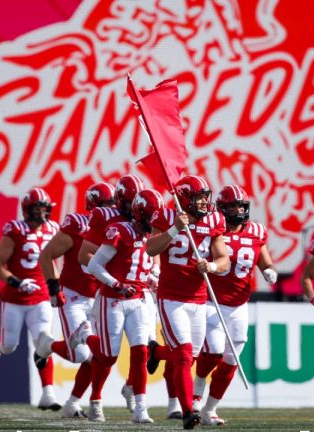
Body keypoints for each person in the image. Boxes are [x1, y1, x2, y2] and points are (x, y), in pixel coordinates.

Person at [145, 175, 230, 429]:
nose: (204, 202)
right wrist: (175, 229)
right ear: (184, 199)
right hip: (171, 298)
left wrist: (213, 266)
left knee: (188, 357)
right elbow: (150, 249)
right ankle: (187, 412)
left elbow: (224, 258)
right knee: (183, 357)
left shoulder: (214, 220)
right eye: (199, 197)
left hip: (199, 298)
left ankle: (156, 351)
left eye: (206, 196)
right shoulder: (166, 217)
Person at [70, 188, 162, 424]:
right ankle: (95, 397)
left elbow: (143, 266)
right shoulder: (119, 231)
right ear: (140, 214)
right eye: (151, 216)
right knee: (107, 357)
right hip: (113, 299)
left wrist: (151, 279)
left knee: (141, 352)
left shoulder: (153, 237)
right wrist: (117, 284)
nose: (155, 222)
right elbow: (94, 266)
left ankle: (141, 408)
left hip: (139, 298)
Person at [191, 185, 277, 425]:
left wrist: (270, 272)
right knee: (213, 352)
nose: (238, 210)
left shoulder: (257, 231)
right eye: (232, 206)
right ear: (222, 208)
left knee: (230, 361)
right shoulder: (212, 229)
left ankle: (210, 410)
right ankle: (197, 393)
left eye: (241, 206)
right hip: (211, 301)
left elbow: (265, 261)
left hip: (239, 304)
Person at [35, 182, 115, 418]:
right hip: (75, 296)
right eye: (105, 206)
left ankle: (72, 403)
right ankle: (47, 345)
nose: (109, 210)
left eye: (112, 205)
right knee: (81, 354)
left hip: (100, 298)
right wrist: (53, 287)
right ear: (93, 206)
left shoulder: (118, 228)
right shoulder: (77, 225)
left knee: (98, 355)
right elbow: (47, 255)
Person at [0, 187, 61, 411]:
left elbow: (53, 262)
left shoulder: (53, 229)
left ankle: (48, 393)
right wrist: (17, 281)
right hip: (15, 298)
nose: (41, 213)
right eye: (37, 208)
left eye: (44, 208)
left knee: (44, 341)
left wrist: (55, 287)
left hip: (41, 295)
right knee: (9, 347)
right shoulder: (15, 230)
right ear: (27, 210)